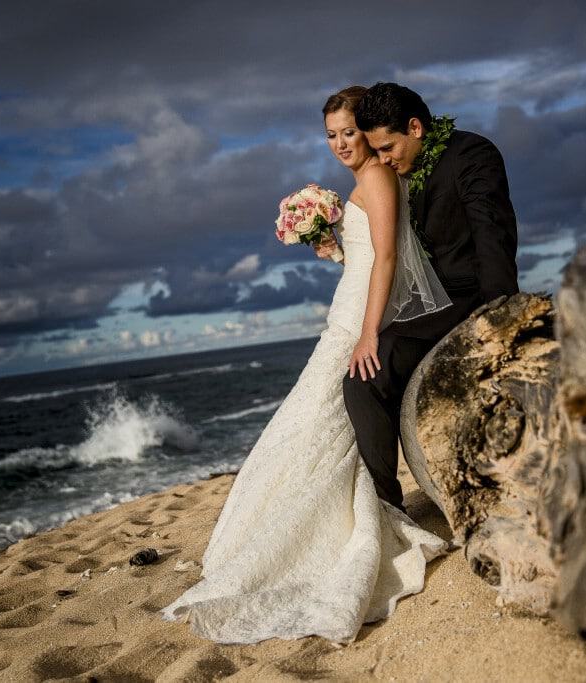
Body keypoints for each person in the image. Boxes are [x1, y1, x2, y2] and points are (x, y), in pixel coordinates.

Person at [160, 86, 450, 644]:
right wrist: (334, 249)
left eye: (349, 132)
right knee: (315, 416)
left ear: (368, 130)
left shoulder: (379, 177)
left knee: (325, 415)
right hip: (349, 304)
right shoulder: (364, 181)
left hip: (359, 320)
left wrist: (369, 334)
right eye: (332, 135)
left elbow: (389, 255)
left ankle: (347, 524)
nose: (342, 144)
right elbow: (366, 256)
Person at [341, 82, 519, 511]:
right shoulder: (404, 167)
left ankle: (387, 509)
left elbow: (493, 237)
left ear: (415, 128)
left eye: (386, 147)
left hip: (467, 299)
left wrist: (497, 317)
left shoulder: (472, 155)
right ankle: (385, 508)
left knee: (368, 374)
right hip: (426, 302)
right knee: (361, 372)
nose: (382, 159)